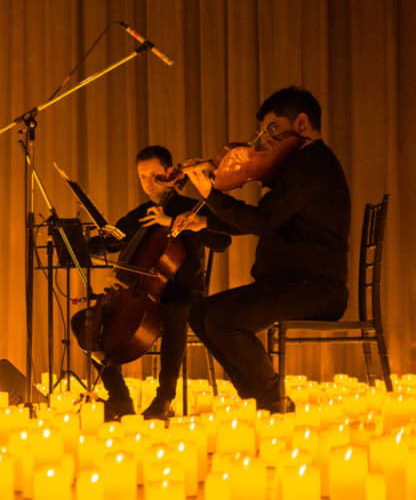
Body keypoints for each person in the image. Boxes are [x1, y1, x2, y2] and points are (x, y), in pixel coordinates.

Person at [175, 87, 350, 413]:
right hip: (287, 284)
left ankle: (273, 402)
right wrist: (205, 221)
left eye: (272, 129)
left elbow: (263, 220)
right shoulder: (296, 167)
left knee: (226, 320)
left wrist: (211, 194)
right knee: (199, 313)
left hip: (317, 289)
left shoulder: (314, 166)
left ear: (301, 123)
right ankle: (260, 400)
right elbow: (263, 220)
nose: (264, 141)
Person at [71, 145, 231, 420]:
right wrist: (77, 244)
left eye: (154, 175)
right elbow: (113, 241)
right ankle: (120, 398)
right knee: (85, 322)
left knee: (173, 314)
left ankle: (164, 399)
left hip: (185, 295)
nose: (148, 183)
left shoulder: (190, 208)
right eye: (142, 177)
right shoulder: (141, 214)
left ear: (170, 172)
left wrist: (174, 223)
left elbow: (222, 240)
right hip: (140, 296)